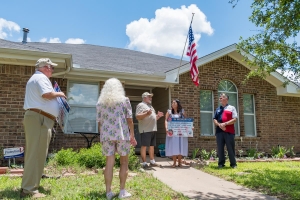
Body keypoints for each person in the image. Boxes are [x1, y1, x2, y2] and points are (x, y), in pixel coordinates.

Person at [21, 58, 67, 198]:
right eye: (51, 67)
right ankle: (29, 189)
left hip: (40, 118)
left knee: (38, 153)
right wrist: (60, 94)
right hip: (39, 118)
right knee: (35, 154)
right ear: (45, 67)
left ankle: (32, 185)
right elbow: (46, 95)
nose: (52, 70)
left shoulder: (38, 78)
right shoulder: (41, 78)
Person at [96, 78, 137, 200]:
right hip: (122, 134)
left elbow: (99, 122)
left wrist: (102, 134)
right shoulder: (124, 100)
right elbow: (129, 119)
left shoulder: (100, 103)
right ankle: (122, 191)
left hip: (106, 135)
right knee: (124, 162)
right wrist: (132, 134)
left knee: (109, 163)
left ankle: (108, 192)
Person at [136, 92, 164, 168]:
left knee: (152, 146)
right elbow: (138, 116)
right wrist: (146, 114)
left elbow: (153, 118)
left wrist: (158, 116)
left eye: (151, 97)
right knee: (144, 146)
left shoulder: (151, 107)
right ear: (144, 97)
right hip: (146, 129)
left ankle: (152, 161)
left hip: (153, 129)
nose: (151, 98)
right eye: (149, 97)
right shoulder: (141, 105)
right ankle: (144, 163)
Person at [213, 93, 238, 169]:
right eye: (220, 97)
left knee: (230, 148)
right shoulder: (218, 109)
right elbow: (214, 119)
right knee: (220, 148)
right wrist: (219, 125)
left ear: (226, 99)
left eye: (222, 97)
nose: (220, 98)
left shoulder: (232, 108)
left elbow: (235, 119)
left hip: (229, 131)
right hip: (219, 132)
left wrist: (225, 124)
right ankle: (221, 163)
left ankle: (233, 164)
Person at [165, 99, 188, 167]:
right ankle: (174, 162)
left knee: (180, 146)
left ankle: (180, 162)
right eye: (172, 103)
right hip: (172, 131)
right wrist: (166, 128)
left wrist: (190, 128)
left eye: (174, 102)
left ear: (178, 104)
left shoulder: (182, 112)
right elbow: (166, 120)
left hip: (181, 131)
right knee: (174, 146)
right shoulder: (169, 112)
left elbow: (187, 120)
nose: (173, 104)